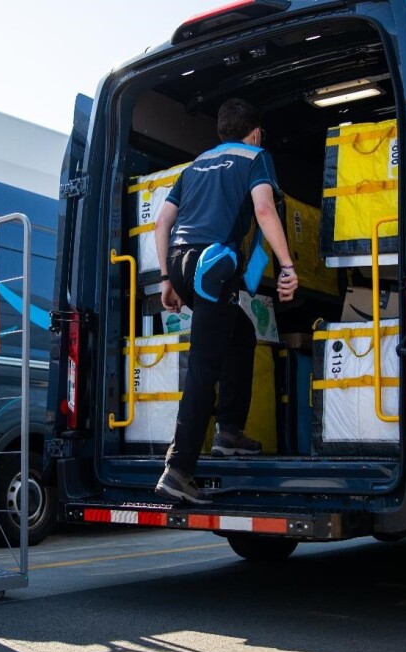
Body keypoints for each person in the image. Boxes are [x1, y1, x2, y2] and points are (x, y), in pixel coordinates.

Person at [152, 98, 299, 505]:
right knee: (204, 365)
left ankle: (229, 432)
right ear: (255, 131)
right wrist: (287, 265)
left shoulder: (195, 165)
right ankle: (179, 469)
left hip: (183, 263)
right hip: (213, 265)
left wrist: (166, 277)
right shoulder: (256, 156)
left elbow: (162, 222)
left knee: (241, 336)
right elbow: (265, 208)